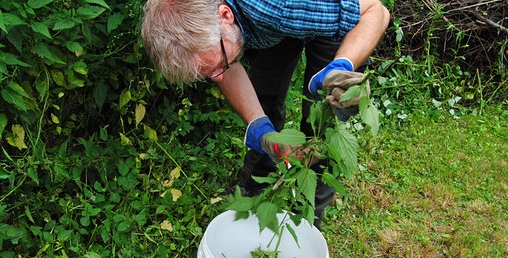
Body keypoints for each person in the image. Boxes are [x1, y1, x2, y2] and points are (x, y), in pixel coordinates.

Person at [141, 0, 390, 228]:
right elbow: (225, 69)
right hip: (267, 22)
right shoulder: (206, 20)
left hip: (334, 12)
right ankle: (254, 188)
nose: (218, 75)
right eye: (209, 72)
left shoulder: (275, 8)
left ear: (225, 15)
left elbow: (376, 10)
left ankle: (308, 217)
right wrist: (261, 129)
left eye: (218, 65)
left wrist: (343, 65)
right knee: (265, 94)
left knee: (325, 124)